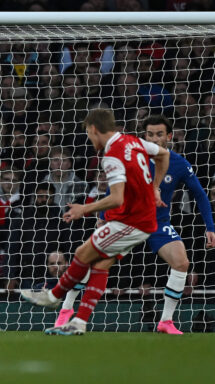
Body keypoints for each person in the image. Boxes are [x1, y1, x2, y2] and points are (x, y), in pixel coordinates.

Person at [54, 115, 215, 335]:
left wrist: (210, 227)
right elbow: (112, 189)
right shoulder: (131, 156)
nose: (155, 138)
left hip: (158, 223)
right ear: (145, 136)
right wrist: (103, 215)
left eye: (160, 134)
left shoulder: (178, 163)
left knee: (181, 262)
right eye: (150, 134)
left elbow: (199, 195)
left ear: (169, 136)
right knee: (92, 260)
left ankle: (166, 322)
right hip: (125, 221)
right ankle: (66, 311)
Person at [21, 108, 170, 335]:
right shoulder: (133, 141)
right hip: (140, 219)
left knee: (82, 253)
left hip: (133, 222)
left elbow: (116, 197)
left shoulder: (112, 155)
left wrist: (84, 208)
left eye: (89, 134)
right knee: (100, 266)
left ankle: (53, 296)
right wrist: (155, 187)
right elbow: (163, 154)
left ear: (93, 129)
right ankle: (79, 322)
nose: (89, 139)